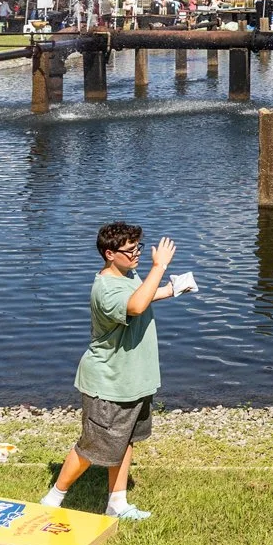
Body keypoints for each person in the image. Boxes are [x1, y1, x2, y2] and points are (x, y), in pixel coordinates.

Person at [40, 222, 179, 519]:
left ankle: (117, 504)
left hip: (133, 379)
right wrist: (160, 267)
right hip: (109, 382)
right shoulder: (104, 288)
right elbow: (136, 306)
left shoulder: (128, 275)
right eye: (130, 251)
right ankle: (52, 500)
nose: (137, 255)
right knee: (92, 447)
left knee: (124, 440)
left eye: (138, 248)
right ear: (109, 253)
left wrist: (169, 289)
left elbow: (139, 296)